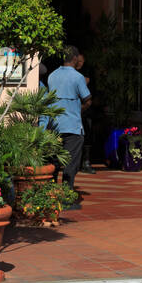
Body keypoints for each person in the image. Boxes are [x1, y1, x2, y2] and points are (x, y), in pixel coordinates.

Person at [47, 45, 91, 205]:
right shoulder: (78, 77)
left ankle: (50, 196)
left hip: (54, 127)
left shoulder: (52, 76)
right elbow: (87, 99)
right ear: (74, 59)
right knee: (71, 164)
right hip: (72, 126)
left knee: (54, 162)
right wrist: (79, 108)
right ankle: (66, 197)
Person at [76, 51, 96, 174]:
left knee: (87, 135)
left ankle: (86, 162)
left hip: (85, 109)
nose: (79, 64)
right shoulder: (72, 74)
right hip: (74, 109)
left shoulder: (87, 72)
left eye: (81, 61)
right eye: (77, 61)